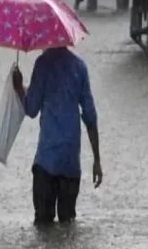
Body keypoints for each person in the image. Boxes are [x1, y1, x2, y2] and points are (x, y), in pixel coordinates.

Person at [12, 48, 103, 225]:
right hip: (70, 161)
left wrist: (19, 88)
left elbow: (31, 109)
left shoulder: (43, 64)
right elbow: (90, 116)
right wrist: (97, 160)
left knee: (43, 227)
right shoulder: (79, 67)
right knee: (67, 226)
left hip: (46, 160)